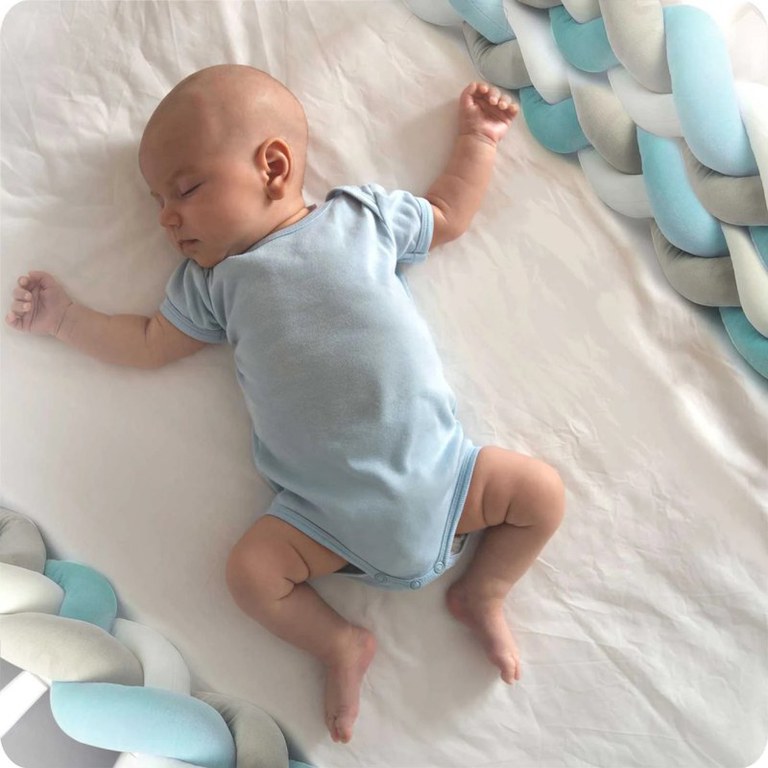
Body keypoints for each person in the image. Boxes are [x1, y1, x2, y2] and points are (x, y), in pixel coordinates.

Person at [6, 65, 565, 744]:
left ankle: (485, 590)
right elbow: (149, 342)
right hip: (323, 519)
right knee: (251, 574)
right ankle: (339, 642)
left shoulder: (358, 219)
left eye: (185, 189)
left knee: (541, 494)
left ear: (272, 166)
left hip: (448, 480)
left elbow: (446, 216)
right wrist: (66, 320)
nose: (166, 217)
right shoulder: (214, 285)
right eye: (157, 201)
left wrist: (477, 139)